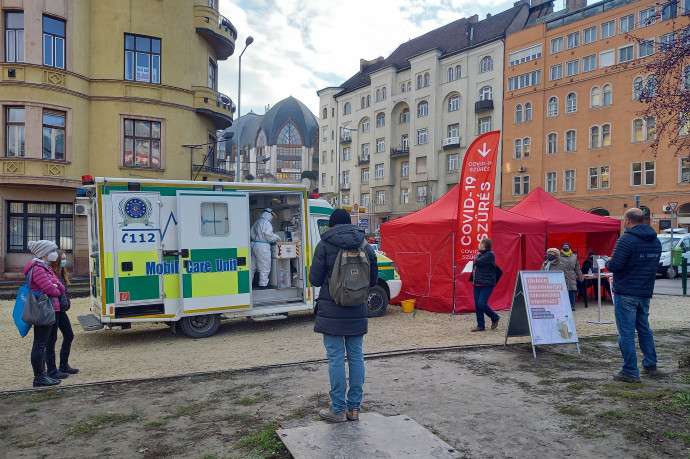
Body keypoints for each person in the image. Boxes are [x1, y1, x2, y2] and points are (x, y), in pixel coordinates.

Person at [309, 208, 378, 423]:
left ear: (331, 225)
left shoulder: (325, 244)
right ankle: (355, 409)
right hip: (357, 308)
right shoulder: (364, 243)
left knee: (336, 358)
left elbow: (315, 279)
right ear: (350, 223)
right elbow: (373, 280)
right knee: (356, 356)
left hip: (332, 308)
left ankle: (337, 410)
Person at [605, 208, 662, 383]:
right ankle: (651, 364)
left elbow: (614, 265)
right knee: (644, 328)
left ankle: (630, 370)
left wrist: (607, 261)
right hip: (644, 291)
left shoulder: (626, 239)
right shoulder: (655, 241)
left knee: (626, 332)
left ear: (627, 220)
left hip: (626, 291)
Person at [23, 240, 65, 387]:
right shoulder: (39, 268)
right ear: (45, 254)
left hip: (47, 309)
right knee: (40, 344)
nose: (55, 253)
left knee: (43, 343)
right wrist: (57, 287)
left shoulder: (45, 267)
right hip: (43, 310)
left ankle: (43, 375)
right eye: (53, 251)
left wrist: (57, 286)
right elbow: (52, 289)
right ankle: (39, 377)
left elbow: (59, 285)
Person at [45, 251, 78, 379]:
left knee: (69, 335)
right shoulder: (52, 273)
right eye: (63, 259)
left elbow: (64, 292)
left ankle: (63, 365)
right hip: (54, 310)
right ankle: (51, 370)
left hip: (61, 310)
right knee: (51, 340)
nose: (65, 261)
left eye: (66, 258)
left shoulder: (61, 274)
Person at [470, 238, 500, 332]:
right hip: (478, 283)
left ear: (484, 245)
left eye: (481, 243)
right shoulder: (481, 255)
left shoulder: (490, 254)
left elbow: (478, 262)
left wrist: (476, 256)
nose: (479, 244)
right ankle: (480, 325)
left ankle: (495, 317)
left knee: (482, 303)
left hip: (487, 284)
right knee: (477, 306)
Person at [250, 208, 280, 289]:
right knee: (265, 266)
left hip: (253, 245)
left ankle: (249, 284)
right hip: (262, 246)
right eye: (272, 216)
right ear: (269, 214)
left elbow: (251, 233)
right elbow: (269, 235)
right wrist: (277, 237)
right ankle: (263, 285)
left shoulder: (257, 222)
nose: (272, 218)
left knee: (252, 266)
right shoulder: (266, 223)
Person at [560, 242, 584, 311]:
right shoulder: (559, 256)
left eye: (567, 246)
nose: (565, 247)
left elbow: (577, 268)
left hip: (571, 275)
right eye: (564, 246)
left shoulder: (573, 257)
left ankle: (572, 305)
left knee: (572, 290)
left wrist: (580, 277)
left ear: (569, 247)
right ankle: (563, 305)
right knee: (563, 291)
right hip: (562, 274)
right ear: (562, 247)